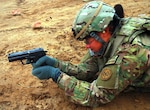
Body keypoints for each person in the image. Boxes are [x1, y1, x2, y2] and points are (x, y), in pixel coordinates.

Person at [31, 1, 150, 107]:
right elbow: (86, 71)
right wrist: (56, 64)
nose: (86, 46)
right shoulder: (108, 38)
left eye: (88, 40)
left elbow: (95, 96)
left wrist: (56, 75)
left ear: (104, 31)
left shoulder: (131, 52)